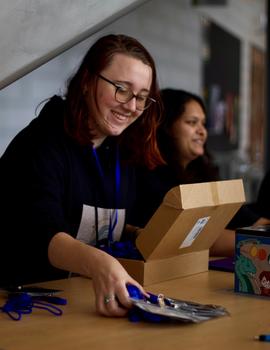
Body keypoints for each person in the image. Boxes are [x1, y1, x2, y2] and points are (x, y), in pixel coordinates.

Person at [0, 34, 165, 317]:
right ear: (88, 82)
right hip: (20, 302)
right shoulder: (41, 143)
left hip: (74, 295)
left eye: (140, 96)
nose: (131, 106)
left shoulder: (119, 148)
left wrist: (138, 233)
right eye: (121, 89)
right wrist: (102, 264)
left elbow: (84, 217)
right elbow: (43, 233)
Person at [130, 88, 242, 256]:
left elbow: (239, 217)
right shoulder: (149, 178)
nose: (202, 132)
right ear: (166, 126)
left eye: (203, 124)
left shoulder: (202, 172)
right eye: (191, 122)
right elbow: (194, 238)